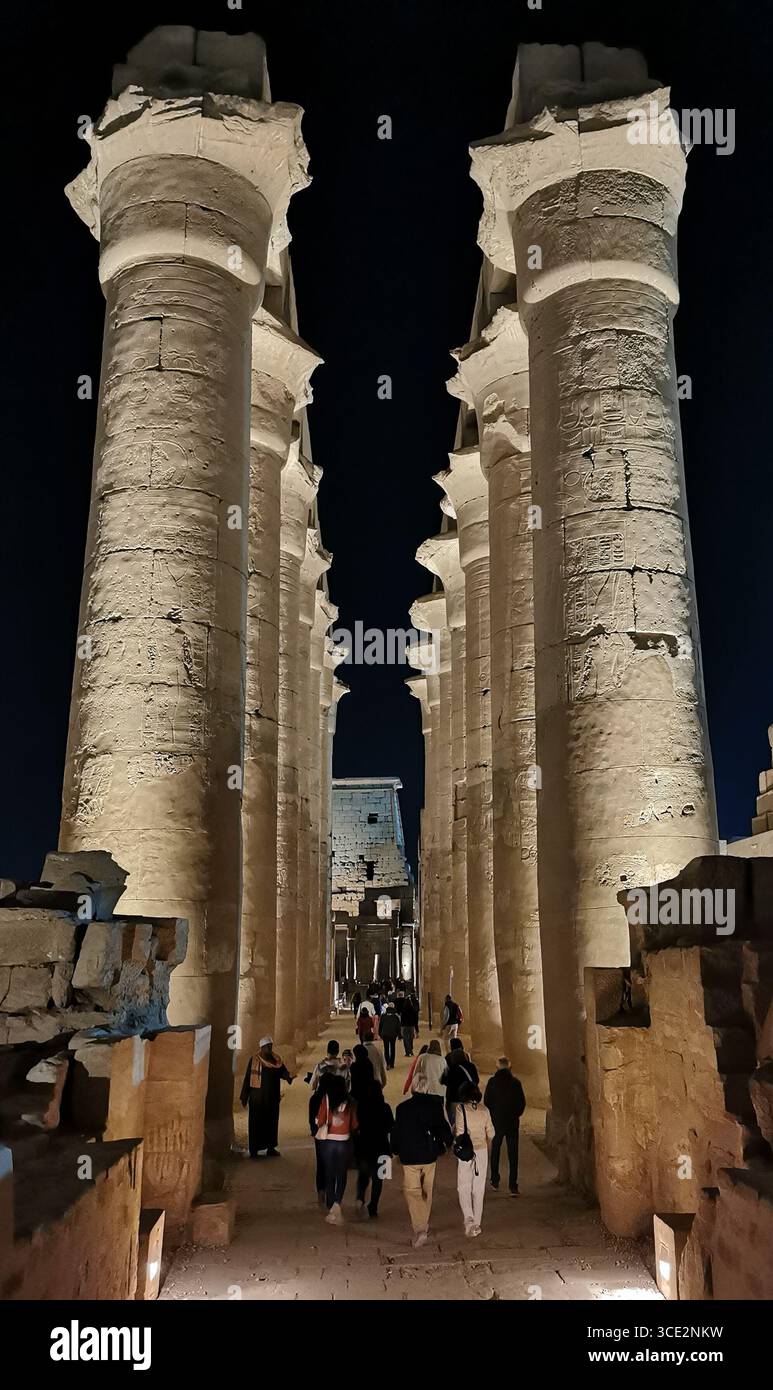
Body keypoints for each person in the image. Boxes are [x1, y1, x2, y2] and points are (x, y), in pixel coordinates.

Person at [390, 1075, 453, 1248]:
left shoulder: (403, 1108)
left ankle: (420, 1228)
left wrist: (394, 1149)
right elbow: (443, 1128)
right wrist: (448, 1143)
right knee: (427, 1190)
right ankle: (423, 1224)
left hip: (410, 1156)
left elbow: (397, 1132)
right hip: (429, 1155)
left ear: (413, 1087)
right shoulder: (435, 1106)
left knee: (412, 1191)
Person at [314, 1074, 358, 1224]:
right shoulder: (351, 1102)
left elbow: (320, 1120)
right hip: (344, 1142)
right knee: (341, 1174)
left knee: (329, 1173)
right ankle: (337, 1203)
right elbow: (354, 1125)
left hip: (328, 1142)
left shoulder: (326, 1099)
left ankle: (331, 1204)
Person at [240, 1037, 294, 1158]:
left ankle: (271, 1147)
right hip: (257, 1098)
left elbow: (282, 1071)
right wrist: (244, 1096)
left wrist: (288, 1077)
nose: (269, 1049)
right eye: (267, 1047)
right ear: (262, 1048)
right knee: (256, 1124)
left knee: (271, 1122)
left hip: (272, 1097)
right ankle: (254, 1149)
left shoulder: (276, 1060)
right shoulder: (254, 1060)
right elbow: (248, 1077)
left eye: (270, 1046)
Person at [454, 1081, 494, 1237]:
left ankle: (468, 1219)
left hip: (466, 1152)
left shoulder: (460, 1109)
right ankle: (477, 1223)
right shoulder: (485, 1110)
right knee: (479, 1188)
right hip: (481, 1150)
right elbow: (491, 1133)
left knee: (463, 1186)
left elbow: (459, 1132)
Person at [484, 1057, 526, 1195]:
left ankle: (495, 1180)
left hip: (497, 1121)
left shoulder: (492, 1082)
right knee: (513, 1154)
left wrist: (494, 1113)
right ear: (509, 1067)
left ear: (497, 1067)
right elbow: (522, 1103)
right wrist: (516, 1114)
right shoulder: (516, 1083)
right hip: (512, 1121)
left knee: (495, 1150)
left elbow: (487, 1101)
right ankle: (513, 1186)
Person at [354, 1078, 394, 1219]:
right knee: (379, 1179)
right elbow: (391, 1126)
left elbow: (356, 1126)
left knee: (363, 1175)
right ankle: (373, 1206)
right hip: (382, 1147)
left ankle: (360, 1198)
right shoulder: (385, 1107)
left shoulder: (360, 1107)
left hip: (364, 1146)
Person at [441, 1038, 479, 1124]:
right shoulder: (471, 1066)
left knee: (455, 1121)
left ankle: (457, 1135)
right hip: (468, 1096)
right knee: (468, 1120)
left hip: (454, 1097)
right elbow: (476, 1080)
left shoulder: (452, 1068)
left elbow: (444, 1080)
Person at [378, 1003, 401, 1069]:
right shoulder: (396, 1017)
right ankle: (392, 1064)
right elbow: (398, 1027)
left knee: (386, 1048)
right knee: (393, 1048)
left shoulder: (383, 1016)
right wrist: (399, 1035)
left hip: (385, 1034)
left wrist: (380, 1034)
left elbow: (381, 1026)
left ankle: (387, 1063)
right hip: (393, 1034)